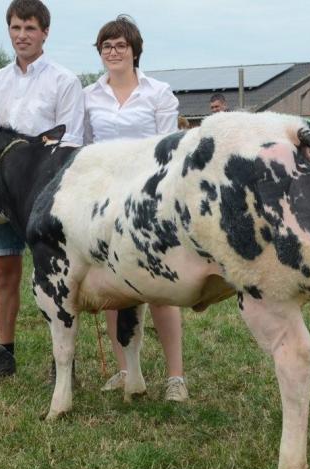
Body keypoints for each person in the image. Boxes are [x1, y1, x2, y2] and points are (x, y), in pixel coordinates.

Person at [0, 0, 85, 386]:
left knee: (53, 278)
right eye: (16, 28)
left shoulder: (64, 81)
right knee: (5, 272)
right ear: (9, 30)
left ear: (45, 33)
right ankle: (4, 354)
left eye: (30, 28)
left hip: (46, 196)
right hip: (4, 196)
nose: (22, 35)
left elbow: (72, 144)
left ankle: (61, 361)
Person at [83, 15, 188, 402]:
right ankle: (125, 369)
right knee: (113, 288)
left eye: (120, 45)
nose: (114, 51)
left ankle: (175, 377)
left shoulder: (159, 93)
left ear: (134, 50)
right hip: (105, 202)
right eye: (106, 46)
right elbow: (84, 149)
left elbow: (169, 148)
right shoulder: (88, 95)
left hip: (149, 201)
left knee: (159, 288)